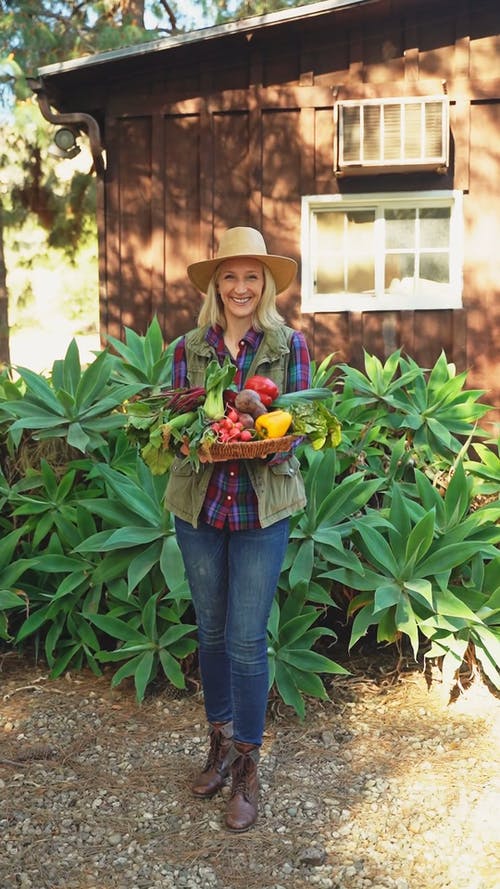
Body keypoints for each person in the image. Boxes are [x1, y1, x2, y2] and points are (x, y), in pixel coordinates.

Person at [164, 226, 311, 832]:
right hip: (199, 509)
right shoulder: (189, 348)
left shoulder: (288, 344)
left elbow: (301, 427)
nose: (241, 287)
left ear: (266, 284)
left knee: (249, 640)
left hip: (260, 512)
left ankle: (248, 761)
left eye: (253, 276)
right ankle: (219, 741)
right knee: (212, 632)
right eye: (231, 275)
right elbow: (172, 430)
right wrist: (188, 436)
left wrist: (270, 442)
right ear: (216, 284)